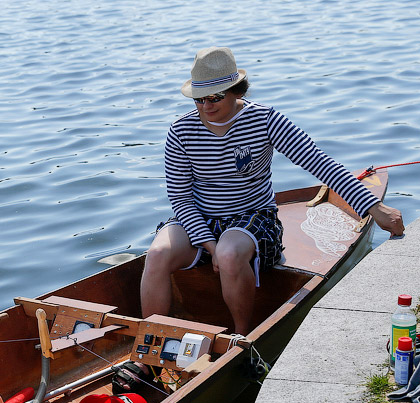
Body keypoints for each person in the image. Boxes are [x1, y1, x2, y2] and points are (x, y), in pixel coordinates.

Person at [140, 46, 404, 336]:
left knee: (229, 254)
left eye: (215, 97)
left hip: (252, 217)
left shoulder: (266, 120)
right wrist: (209, 246)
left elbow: (319, 163)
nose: (206, 106)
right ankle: (147, 346)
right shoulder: (180, 131)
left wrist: (374, 208)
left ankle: (241, 341)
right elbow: (180, 198)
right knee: (158, 253)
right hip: (199, 218)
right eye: (199, 99)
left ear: (237, 91)